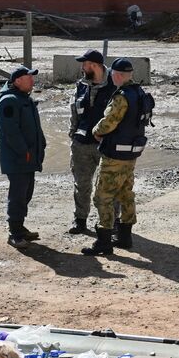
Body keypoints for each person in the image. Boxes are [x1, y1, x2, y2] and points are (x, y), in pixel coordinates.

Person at [82, 58, 154, 257]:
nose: (111, 76)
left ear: (118, 75)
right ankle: (125, 236)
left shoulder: (121, 97)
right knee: (125, 193)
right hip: (131, 153)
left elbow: (109, 122)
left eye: (112, 74)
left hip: (115, 154)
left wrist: (96, 131)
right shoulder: (139, 93)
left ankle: (104, 241)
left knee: (102, 196)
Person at [67, 49, 115, 236]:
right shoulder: (81, 85)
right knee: (81, 185)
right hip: (81, 145)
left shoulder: (115, 84)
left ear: (94, 65)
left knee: (109, 187)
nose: (82, 67)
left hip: (107, 145)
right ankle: (80, 221)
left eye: (84, 64)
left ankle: (112, 224)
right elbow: (74, 111)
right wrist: (72, 135)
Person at [0, 66, 46, 249]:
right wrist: (24, 151)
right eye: (29, 78)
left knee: (26, 193)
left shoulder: (24, 99)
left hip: (27, 158)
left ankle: (19, 227)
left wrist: (42, 143)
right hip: (18, 159)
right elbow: (10, 132)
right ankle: (14, 233)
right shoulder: (9, 101)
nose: (32, 81)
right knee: (18, 195)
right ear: (17, 81)